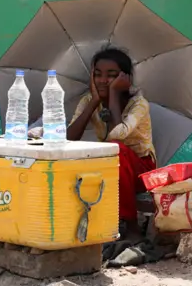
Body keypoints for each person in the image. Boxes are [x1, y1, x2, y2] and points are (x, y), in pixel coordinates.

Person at [67, 47, 156, 236]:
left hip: (141, 170)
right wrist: (94, 103)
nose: (102, 80)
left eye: (111, 75)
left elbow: (117, 134)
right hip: (110, 164)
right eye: (97, 74)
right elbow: (69, 138)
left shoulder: (138, 104)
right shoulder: (89, 100)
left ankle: (130, 225)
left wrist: (114, 94)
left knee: (116, 148)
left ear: (125, 79)